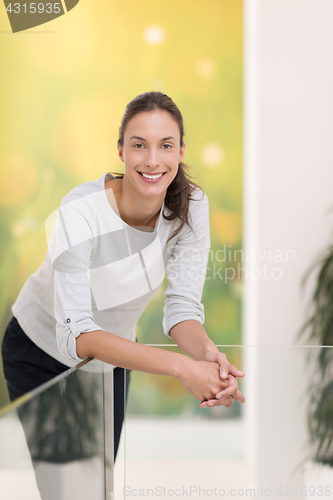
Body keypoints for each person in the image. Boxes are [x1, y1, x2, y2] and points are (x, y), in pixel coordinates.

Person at [1, 91, 245, 463]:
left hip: (115, 356)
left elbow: (181, 309)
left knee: (99, 479)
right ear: (120, 151)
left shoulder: (192, 207)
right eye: (138, 145)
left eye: (165, 145)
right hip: (39, 349)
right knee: (65, 484)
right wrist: (182, 367)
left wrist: (209, 357)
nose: (152, 160)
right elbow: (77, 334)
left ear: (181, 151)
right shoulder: (81, 211)